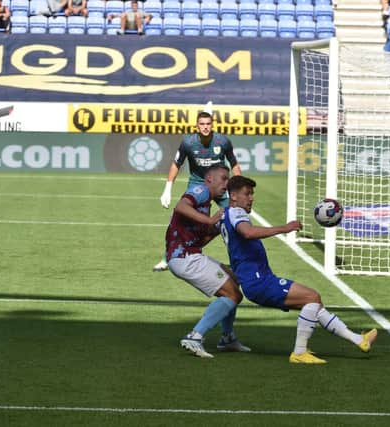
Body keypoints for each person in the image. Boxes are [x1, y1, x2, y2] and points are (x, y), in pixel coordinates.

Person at [220, 176, 378, 364]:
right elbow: (248, 232)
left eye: (252, 194)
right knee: (312, 297)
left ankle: (359, 340)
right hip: (258, 282)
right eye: (247, 194)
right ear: (234, 196)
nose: (251, 198)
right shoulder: (236, 212)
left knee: (314, 306)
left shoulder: (225, 214)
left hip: (258, 280)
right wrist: (284, 228)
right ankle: (299, 352)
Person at [165, 164, 250, 358]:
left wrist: (217, 227)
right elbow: (181, 206)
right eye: (223, 178)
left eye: (228, 179)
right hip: (184, 257)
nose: (226, 183)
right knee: (232, 295)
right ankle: (195, 336)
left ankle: (227, 338)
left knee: (234, 280)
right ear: (209, 179)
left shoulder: (207, 203)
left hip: (190, 254)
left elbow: (202, 237)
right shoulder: (201, 190)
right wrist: (211, 221)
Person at [154, 106, 242, 272]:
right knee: (183, 220)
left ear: (212, 125)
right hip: (198, 184)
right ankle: (169, 257)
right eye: (202, 124)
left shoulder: (222, 141)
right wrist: (167, 189)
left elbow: (234, 164)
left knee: (234, 219)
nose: (205, 127)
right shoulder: (188, 142)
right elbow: (176, 164)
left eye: (208, 123)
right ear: (197, 126)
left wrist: (236, 186)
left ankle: (239, 260)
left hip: (220, 185)